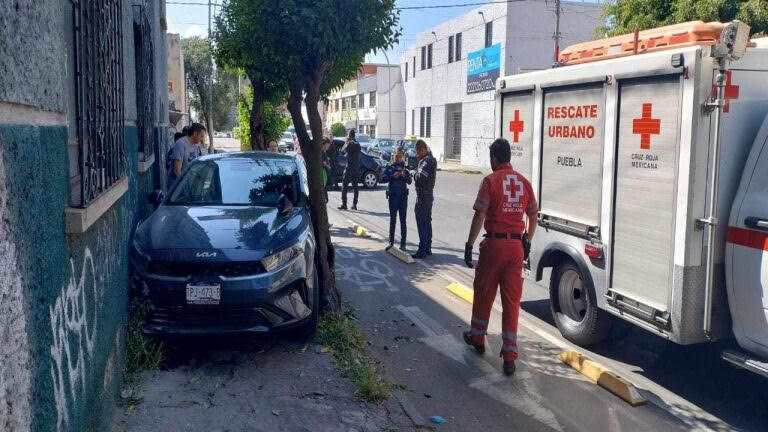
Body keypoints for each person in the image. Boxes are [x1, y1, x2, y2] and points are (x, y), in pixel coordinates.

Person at [462, 138, 538, 377]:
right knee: (511, 301)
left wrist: (469, 244)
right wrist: (527, 239)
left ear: (494, 157)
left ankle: (477, 337)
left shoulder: (490, 181)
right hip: (516, 248)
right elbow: (534, 215)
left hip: (494, 245)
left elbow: (479, 216)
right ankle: (510, 355)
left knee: (484, 291)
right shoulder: (524, 182)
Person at [411, 140, 437, 259]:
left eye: (417, 152)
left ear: (422, 150)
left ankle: (422, 249)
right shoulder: (430, 159)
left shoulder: (427, 161)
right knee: (427, 222)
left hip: (423, 197)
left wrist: (413, 173)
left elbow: (421, 176)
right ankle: (427, 247)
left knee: (422, 223)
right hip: (427, 196)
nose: (416, 155)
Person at [387, 148, 412, 251]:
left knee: (403, 221)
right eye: (396, 156)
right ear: (393, 156)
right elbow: (384, 178)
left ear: (402, 157)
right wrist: (392, 175)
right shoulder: (390, 167)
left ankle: (403, 244)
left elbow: (410, 181)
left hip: (402, 198)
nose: (397, 158)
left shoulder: (405, 168)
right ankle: (391, 242)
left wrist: (403, 175)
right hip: (393, 197)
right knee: (393, 220)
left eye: (399, 156)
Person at [168, 123, 206, 188]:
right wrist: (185, 187)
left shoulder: (196, 145)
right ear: (195, 134)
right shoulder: (180, 145)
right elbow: (177, 171)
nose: (202, 139)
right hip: (178, 187)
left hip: (190, 184)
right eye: (201, 136)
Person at [338, 129, 361, 211]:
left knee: (344, 186)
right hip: (356, 168)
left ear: (349, 135)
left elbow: (342, 151)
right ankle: (354, 204)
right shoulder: (358, 144)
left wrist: (346, 142)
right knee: (355, 187)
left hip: (349, 168)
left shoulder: (349, 143)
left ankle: (344, 204)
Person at [322, 137, 332, 202]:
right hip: (323, 174)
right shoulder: (322, 152)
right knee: (325, 199)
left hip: (324, 175)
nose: (328, 147)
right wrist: (328, 166)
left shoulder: (323, 152)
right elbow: (324, 163)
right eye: (328, 145)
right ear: (325, 144)